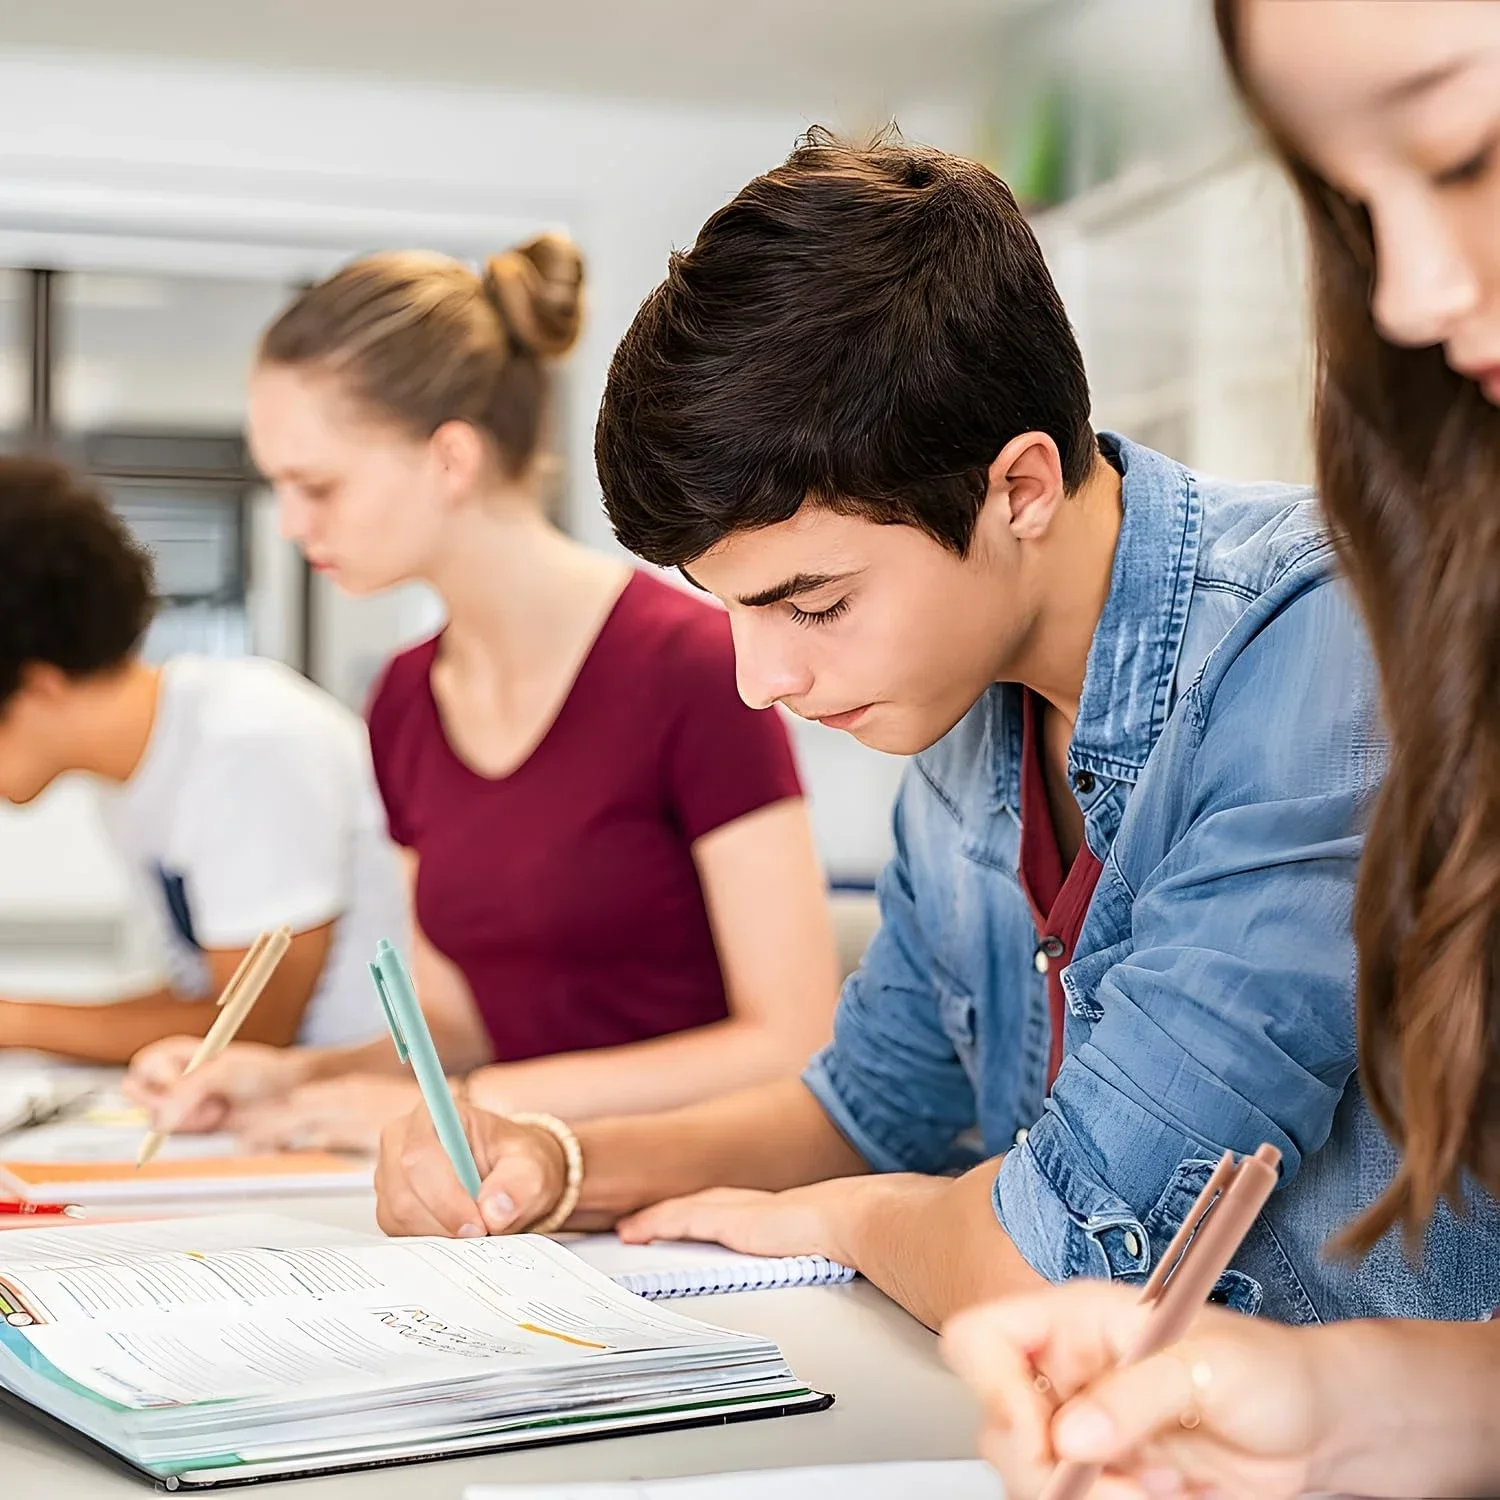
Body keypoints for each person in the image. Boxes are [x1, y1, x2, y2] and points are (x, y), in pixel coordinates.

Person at [372, 133, 1500, 1332]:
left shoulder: (1322, 641)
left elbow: (1065, 1262)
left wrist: (859, 1217)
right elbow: (867, 1109)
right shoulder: (967, 701)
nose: (759, 679)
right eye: (732, 608)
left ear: (1018, 489)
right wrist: (559, 1161)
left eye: (813, 604)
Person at [942, 2, 1500, 1496]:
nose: (1414, 294)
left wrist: (831, 1216)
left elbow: (1057, 1219)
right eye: (1348, 204)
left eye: (1468, 152)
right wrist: (1339, 1402)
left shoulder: (1306, 643)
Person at [128, 235, 839, 1152]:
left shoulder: (696, 667)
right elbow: (456, 1024)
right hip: (515, 1200)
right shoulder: (402, 703)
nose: (295, 525)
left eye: (317, 485)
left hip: (702, 1197)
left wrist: (466, 1104)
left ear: (450, 460)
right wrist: (293, 1077)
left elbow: (790, 1040)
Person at [0, 455, 405, 1061]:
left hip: (371, 1108)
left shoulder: (247, 741)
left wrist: (14, 1021)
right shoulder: (137, 773)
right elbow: (208, 991)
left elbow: (252, 1025)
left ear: (39, 685)